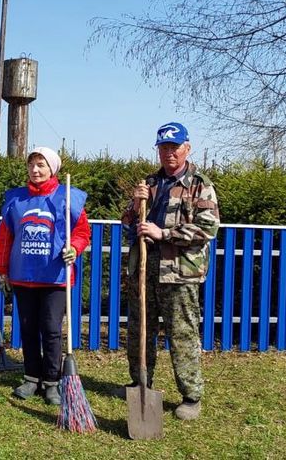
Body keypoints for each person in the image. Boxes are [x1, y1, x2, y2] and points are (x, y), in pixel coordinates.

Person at [117, 122, 220, 420]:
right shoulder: (149, 183)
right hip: (144, 270)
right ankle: (140, 383)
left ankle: (190, 395)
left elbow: (207, 228)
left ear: (187, 148)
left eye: (174, 147)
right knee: (140, 330)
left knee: (182, 333)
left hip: (178, 273)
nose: (169, 153)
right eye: (163, 147)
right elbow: (126, 226)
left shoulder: (200, 185)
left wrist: (163, 234)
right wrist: (136, 205)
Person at [0, 147, 91, 405]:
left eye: (41, 165)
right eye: (32, 165)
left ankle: (52, 381)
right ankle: (31, 377)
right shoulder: (16, 200)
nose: (35, 170)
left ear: (52, 168)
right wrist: (1, 270)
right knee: (27, 328)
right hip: (23, 275)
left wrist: (74, 248)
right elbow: (5, 237)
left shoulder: (68, 198)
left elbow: (82, 232)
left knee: (50, 329)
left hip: (54, 276)